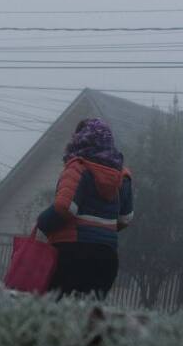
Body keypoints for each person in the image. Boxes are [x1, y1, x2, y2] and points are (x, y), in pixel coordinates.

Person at [36, 118, 133, 299]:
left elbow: (65, 208)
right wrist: (102, 232)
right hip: (106, 258)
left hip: (71, 254)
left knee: (57, 310)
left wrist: (42, 222)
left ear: (80, 139)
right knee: (89, 313)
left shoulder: (78, 167)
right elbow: (125, 218)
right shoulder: (122, 177)